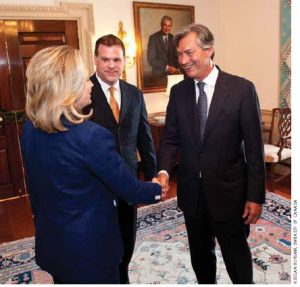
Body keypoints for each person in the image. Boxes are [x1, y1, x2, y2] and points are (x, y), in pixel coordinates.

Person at [21, 45, 164, 284]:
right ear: (68, 88)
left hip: (55, 242)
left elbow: (35, 189)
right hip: (90, 250)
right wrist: (158, 186)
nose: (90, 84)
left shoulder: (29, 129)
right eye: (83, 79)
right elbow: (131, 189)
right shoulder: (89, 136)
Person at [156, 24, 266, 284]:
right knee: (201, 258)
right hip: (192, 194)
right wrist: (163, 171)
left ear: (209, 50)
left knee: (236, 258)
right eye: (179, 55)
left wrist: (255, 196)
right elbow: (171, 139)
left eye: (189, 53)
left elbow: (254, 147)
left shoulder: (242, 90)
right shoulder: (178, 92)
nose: (183, 61)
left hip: (230, 195)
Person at [83, 34, 157, 284]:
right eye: (105, 59)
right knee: (98, 241)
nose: (112, 65)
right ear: (95, 60)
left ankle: (122, 276)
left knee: (127, 238)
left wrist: (153, 174)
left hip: (128, 181)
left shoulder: (134, 94)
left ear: (125, 61)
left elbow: (144, 138)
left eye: (117, 59)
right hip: (95, 185)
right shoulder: (82, 93)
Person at [147, 15, 179, 85]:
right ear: (161, 25)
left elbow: (175, 57)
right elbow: (151, 60)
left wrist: (178, 68)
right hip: (158, 77)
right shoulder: (153, 38)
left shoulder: (172, 38)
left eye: (169, 26)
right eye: (165, 25)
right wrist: (167, 68)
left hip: (173, 77)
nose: (167, 28)